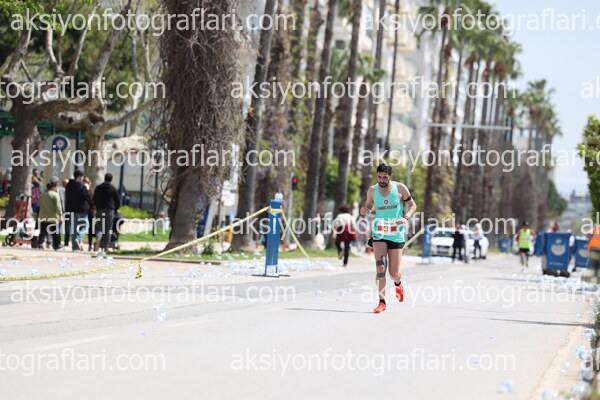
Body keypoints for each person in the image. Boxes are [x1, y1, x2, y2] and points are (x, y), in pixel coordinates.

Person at [360, 163, 417, 314]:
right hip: (379, 233)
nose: (382, 180)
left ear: (390, 176)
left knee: (393, 273)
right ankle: (381, 302)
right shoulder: (372, 190)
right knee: (380, 268)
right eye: (379, 177)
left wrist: (406, 217)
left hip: (396, 233)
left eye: (385, 177)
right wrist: (365, 210)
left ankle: (398, 284)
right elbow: (369, 207)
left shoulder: (400, 188)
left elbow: (413, 206)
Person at [65, 170, 92, 251]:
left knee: (73, 228)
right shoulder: (81, 185)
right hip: (81, 209)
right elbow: (88, 197)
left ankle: (74, 247)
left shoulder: (69, 185)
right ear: (80, 176)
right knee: (85, 225)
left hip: (71, 209)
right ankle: (79, 238)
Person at [92, 173, 121, 252]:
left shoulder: (98, 187)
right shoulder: (113, 189)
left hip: (99, 210)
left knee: (99, 227)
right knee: (108, 229)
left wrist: (96, 206)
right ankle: (106, 246)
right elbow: (118, 201)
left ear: (104, 178)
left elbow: (94, 198)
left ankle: (98, 239)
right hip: (109, 210)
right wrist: (115, 209)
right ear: (111, 179)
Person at [37, 178, 63, 250]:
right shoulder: (55, 195)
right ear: (54, 186)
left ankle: (40, 243)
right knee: (55, 232)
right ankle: (56, 244)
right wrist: (60, 215)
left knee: (43, 231)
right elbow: (58, 207)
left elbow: (39, 205)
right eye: (57, 186)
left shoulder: (43, 195)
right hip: (53, 217)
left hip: (43, 216)